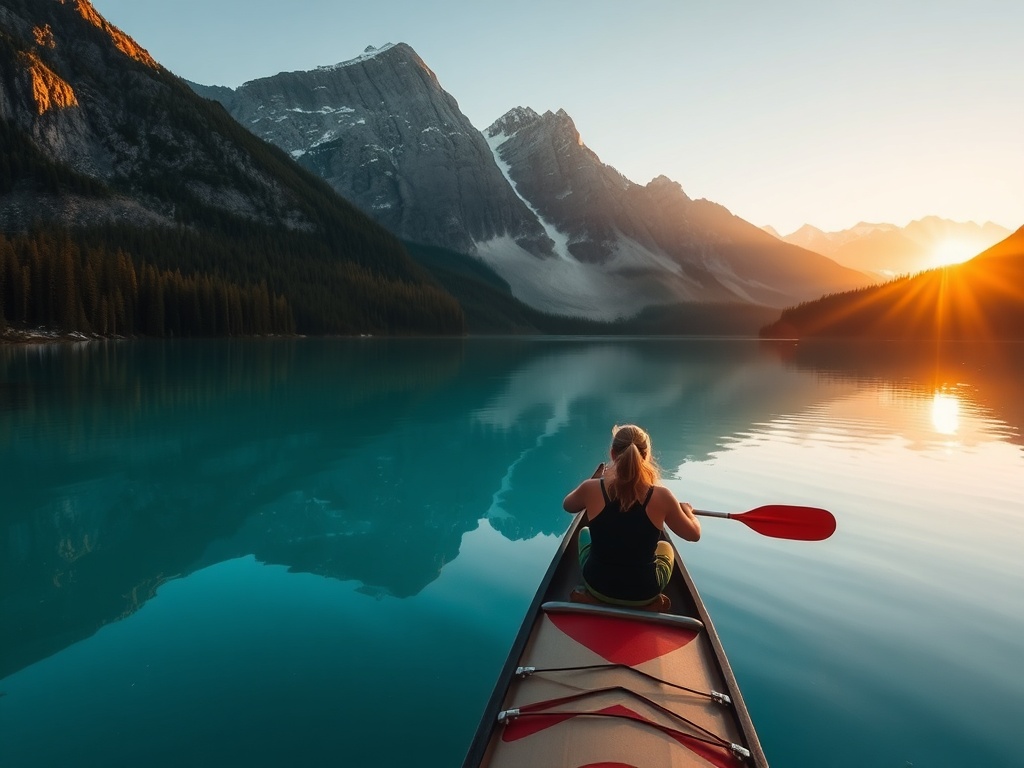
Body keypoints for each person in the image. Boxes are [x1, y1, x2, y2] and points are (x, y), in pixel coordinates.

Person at [562, 424, 700, 609]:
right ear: (647, 457)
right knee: (665, 546)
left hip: (598, 586)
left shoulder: (591, 488)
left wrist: (593, 482)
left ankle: (592, 597)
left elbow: (568, 505)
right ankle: (649, 604)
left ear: (612, 453)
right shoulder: (662, 496)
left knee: (584, 532)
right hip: (644, 592)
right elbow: (693, 535)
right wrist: (689, 514)